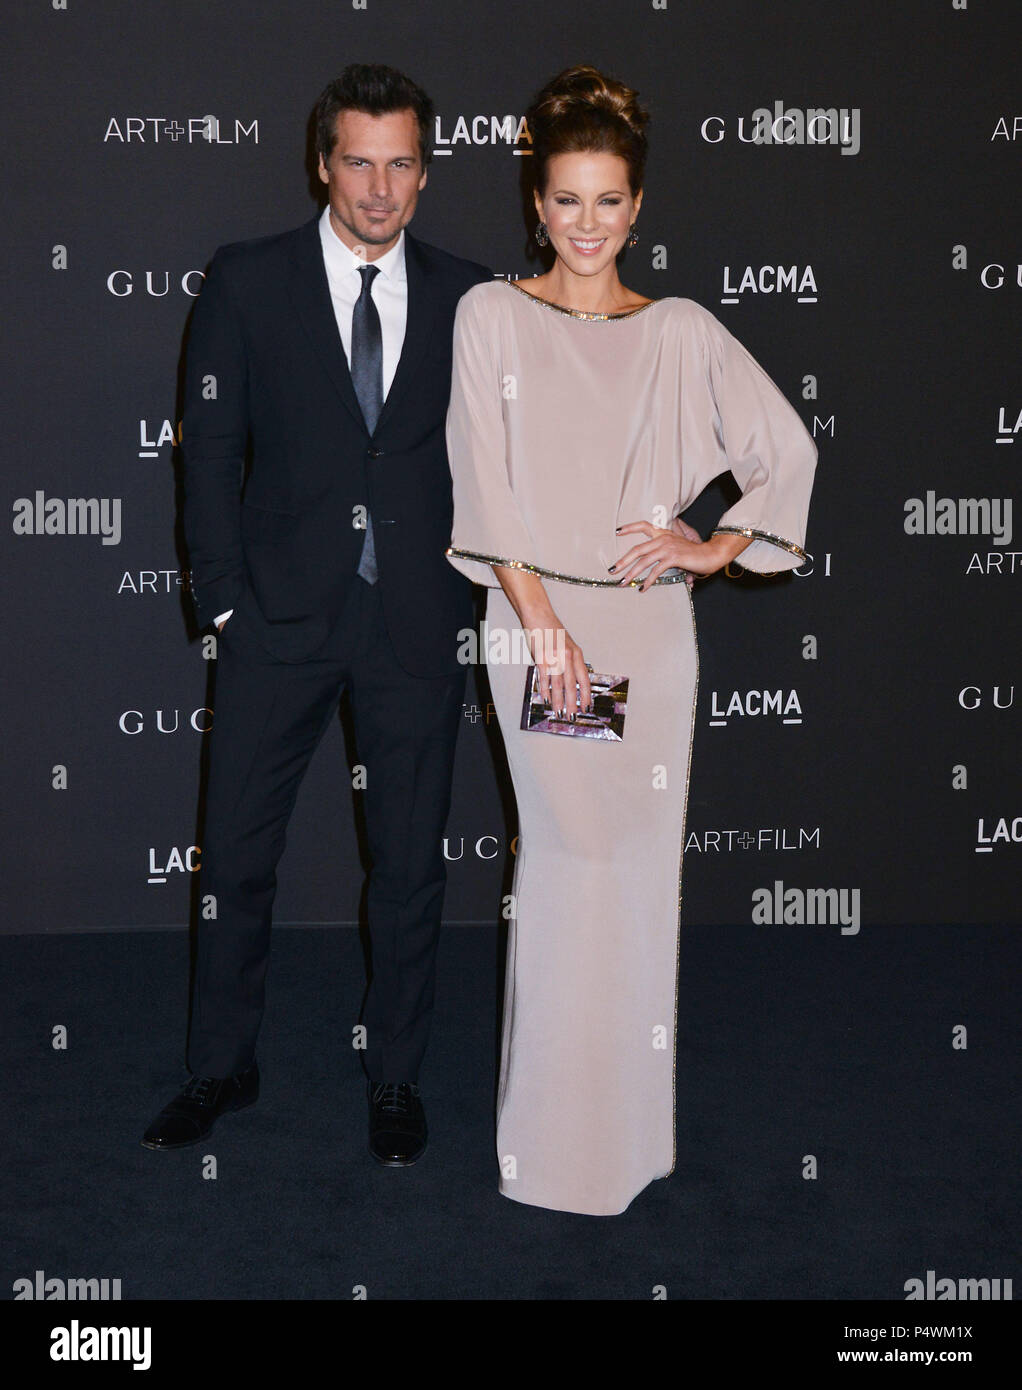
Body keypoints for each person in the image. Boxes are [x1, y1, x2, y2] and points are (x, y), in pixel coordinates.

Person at [445, 65, 818, 1215]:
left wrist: (710, 545)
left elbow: (783, 450)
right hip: (536, 628)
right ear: (534, 202)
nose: (586, 224)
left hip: (647, 640)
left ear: (638, 205)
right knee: (568, 865)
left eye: (608, 201)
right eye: (565, 200)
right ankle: (555, 1153)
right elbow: (480, 477)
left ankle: (627, 1143)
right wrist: (540, 622)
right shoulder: (490, 315)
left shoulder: (680, 332)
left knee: (635, 878)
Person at [142, 64, 491, 1166]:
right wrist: (224, 604)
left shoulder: (469, 296)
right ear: (320, 163)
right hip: (277, 622)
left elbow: (499, 463)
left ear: (424, 174)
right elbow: (210, 457)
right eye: (357, 161)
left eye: (399, 165)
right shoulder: (247, 282)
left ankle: (394, 1076)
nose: (378, 188)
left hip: (413, 625)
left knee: (409, 868)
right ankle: (220, 1065)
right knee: (238, 858)